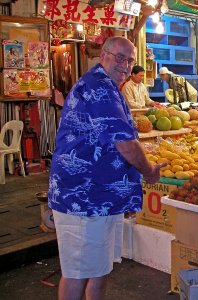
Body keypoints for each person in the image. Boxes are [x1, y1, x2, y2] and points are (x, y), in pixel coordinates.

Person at [48, 37, 166, 300]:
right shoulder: (99, 87)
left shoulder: (109, 86)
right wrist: (149, 171)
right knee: (77, 273)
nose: (124, 65)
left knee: (98, 270)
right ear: (103, 55)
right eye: (119, 57)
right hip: (83, 198)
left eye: (130, 60)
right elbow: (125, 143)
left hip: (99, 198)